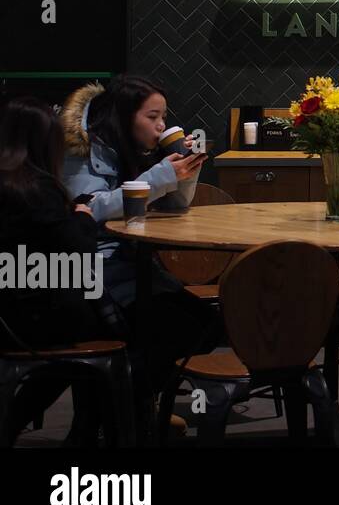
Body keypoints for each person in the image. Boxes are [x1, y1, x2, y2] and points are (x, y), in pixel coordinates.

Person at [59, 75, 219, 429]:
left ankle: (127, 407)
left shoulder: (133, 150)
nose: (161, 125)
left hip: (134, 265)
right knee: (180, 329)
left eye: (163, 117)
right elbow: (88, 210)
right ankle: (125, 408)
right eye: (153, 116)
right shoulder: (84, 149)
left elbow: (176, 206)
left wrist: (184, 171)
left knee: (204, 325)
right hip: (96, 274)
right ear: (124, 114)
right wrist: (161, 175)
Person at [0, 97, 121, 441]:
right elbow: (78, 254)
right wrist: (82, 218)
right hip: (31, 319)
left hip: (8, 309)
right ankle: (99, 430)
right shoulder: (35, 188)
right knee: (109, 330)